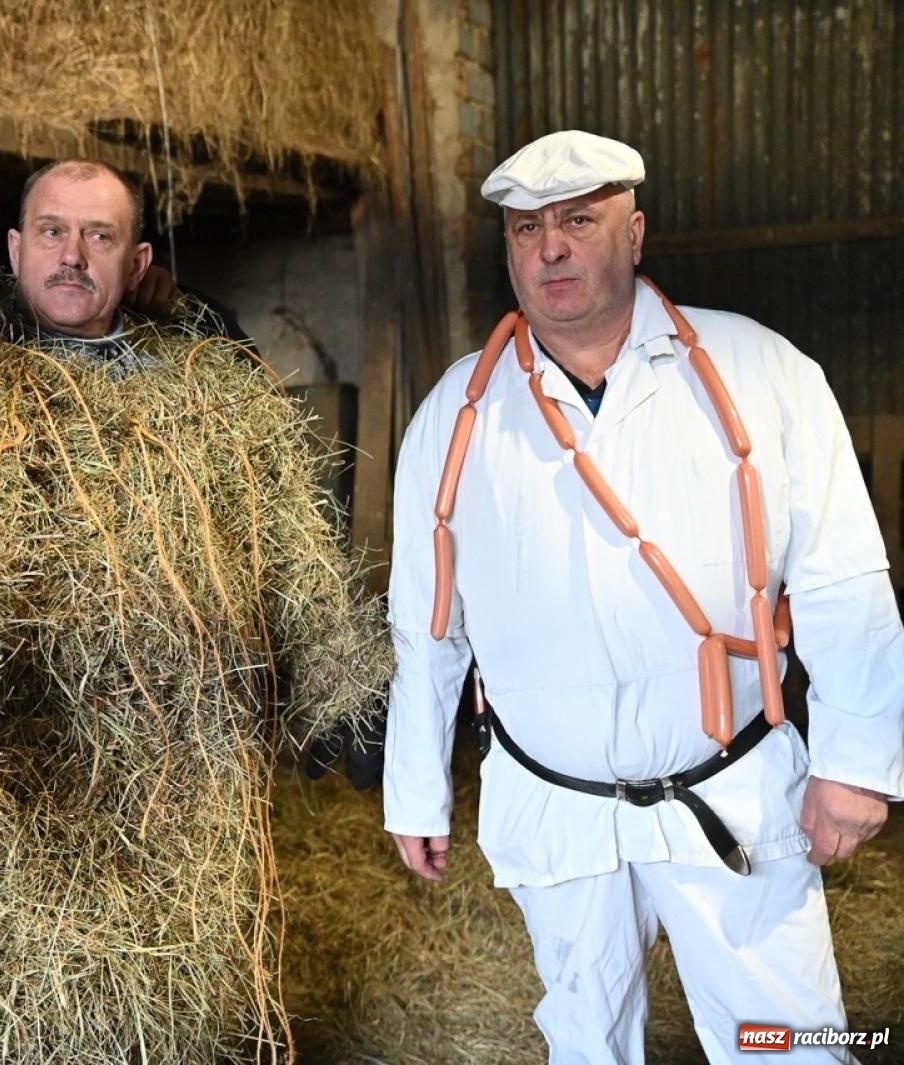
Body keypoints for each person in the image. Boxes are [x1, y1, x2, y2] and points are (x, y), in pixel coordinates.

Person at [0, 158, 386, 1062]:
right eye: (51, 232)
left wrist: (343, 683)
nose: (72, 255)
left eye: (99, 236)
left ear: (138, 256)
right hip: (21, 834)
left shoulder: (211, 394)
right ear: (11, 249)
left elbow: (293, 550)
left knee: (182, 1031)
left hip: (188, 823)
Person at [382, 129, 904, 1063]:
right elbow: (426, 621)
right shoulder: (458, 414)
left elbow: (843, 575)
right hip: (556, 803)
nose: (550, 249)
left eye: (580, 220)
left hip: (732, 793)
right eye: (525, 228)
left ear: (635, 233)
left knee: (786, 1045)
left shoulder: (761, 370)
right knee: (586, 1040)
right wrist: (417, 786)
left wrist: (858, 759)